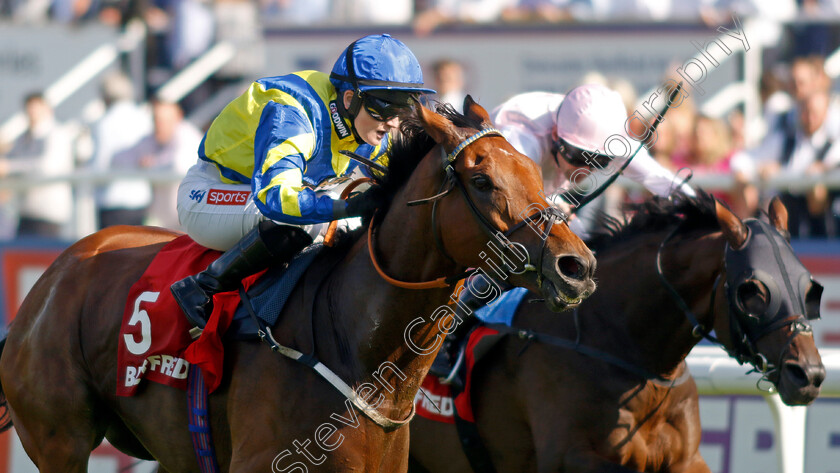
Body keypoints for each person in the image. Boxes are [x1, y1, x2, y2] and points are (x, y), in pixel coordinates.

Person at [171, 34, 436, 329]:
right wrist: (345, 206)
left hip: (255, 195)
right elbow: (276, 198)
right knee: (306, 222)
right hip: (211, 193)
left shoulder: (365, 123)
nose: (394, 123)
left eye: (403, 108)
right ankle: (203, 288)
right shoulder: (293, 114)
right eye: (386, 108)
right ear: (350, 98)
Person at [489, 84, 695, 237]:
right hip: (491, 201)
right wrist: (551, 204)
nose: (586, 170)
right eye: (578, 157)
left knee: (584, 242)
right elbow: (509, 202)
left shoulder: (608, 139)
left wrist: (710, 215)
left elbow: (659, 178)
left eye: (600, 161)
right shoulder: (522, 139)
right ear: (554, 134)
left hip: (541, 192)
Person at [111, 99, 202, 230]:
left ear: (178, 118)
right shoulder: (152, 139)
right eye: (156, 120)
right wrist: (141, 163)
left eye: (164, 121)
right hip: (164, 220)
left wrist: (151, 165)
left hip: (191, 220)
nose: (159, 125)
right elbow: (118, 159)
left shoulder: (188, 136)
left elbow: (179, 165)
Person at [0, 92, 76, 238]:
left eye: (36, 109)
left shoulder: (58, 134)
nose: (32, 113)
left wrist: (10, 167)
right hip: (25, 213)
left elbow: (47, 167)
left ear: (47, 109)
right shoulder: (24, 138)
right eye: (30, 109)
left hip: (48, 215)